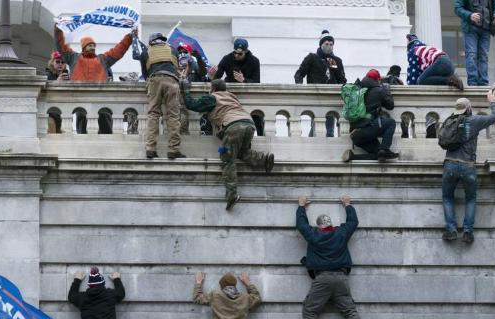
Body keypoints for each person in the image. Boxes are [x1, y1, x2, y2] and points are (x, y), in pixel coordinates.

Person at [294, 194, 371, 319]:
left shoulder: (314, 235)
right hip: (342, 278)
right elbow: (353, 222)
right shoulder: (341, 233)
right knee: (350, 311)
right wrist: (348, 205)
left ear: (319, 225)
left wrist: (301, 206)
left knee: (309, 309)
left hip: (322, 279)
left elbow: (301, 225)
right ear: (330, 224)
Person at [183, 79, 275, 209]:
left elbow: (192, 104)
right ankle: (264, 160)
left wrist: (185, 91)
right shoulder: (232, 97)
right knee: (240, 152)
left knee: (227, 158)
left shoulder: (213, 98)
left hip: (233, 126)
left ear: (213, 88)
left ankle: (231, 194)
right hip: (249, 124)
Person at [440, 89, 495, 244]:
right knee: (471, 198)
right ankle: (468, 232)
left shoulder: (449, 121)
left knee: (447, 197)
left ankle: (451, 230)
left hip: (450, 163)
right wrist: (492, 100)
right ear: (468, 108)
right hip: (467, 165)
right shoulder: (474, 121)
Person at [140, 32, 184, 160]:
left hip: (154, 79)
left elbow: (145, 73)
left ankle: (150, 149)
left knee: (153, 114)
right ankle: (173, 150)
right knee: (173, 116)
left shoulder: (146, 51)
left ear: (151, 41)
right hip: (171, 80)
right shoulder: (172, 49)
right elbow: (176, 67)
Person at [295, 30, 346, 137]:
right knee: (317, 124)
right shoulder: (312, 58)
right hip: (316, 96)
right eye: (326, 44)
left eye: (331, 44)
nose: (329, 46)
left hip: (331, 98)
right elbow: (299, 74)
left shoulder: (334, 61)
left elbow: (341, 79)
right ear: (321, 45)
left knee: (330, 129)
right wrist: (300, 88)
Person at [344, 69, 399, 163]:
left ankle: (353, 157)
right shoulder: (379, 90)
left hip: (355, 135)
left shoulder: (357, 89)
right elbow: (390, 106)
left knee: (379, 154)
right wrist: (387, 91)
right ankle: (385, 149)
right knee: (391, 123)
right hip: (367, 129)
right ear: (377, 79)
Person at [53, 25, 133, 82]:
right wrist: (58, 29)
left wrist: (129, 37)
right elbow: (61, 46)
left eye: (94, 46)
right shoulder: (73, 58)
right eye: (90, 45)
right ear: (84, 47)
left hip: (98, 97)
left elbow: (118, 50)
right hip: (77, 97)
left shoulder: (103, 59)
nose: (93, 47)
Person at [455, 0, 495, 86]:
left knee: (483, 56)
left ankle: (483, 82)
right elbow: (457, 8)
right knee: (472, 54)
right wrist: (470, 15)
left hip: (486, 29)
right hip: (470, 28)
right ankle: (473, 82)